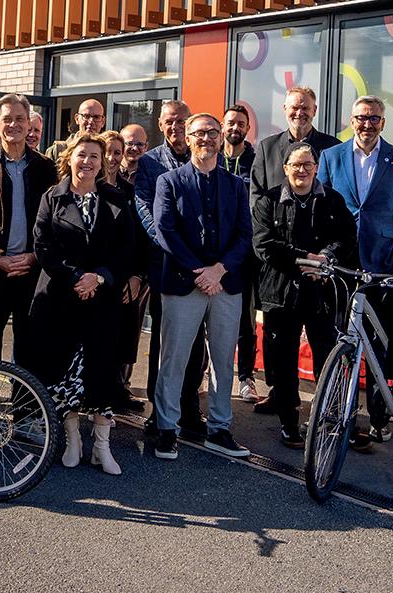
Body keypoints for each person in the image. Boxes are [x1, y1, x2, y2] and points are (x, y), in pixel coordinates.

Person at [27, 133, 135, 475]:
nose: (87, 161)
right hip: (62, 298)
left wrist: (99, 277)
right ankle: (73, 440)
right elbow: (43, 246)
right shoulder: (52, 197)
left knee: (102, 369)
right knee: (65, 371)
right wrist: (76, 277)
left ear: (102, 164)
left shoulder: (116, 199)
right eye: (81, 154)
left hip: (103, 300)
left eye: (94, 156)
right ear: (69, 158)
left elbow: (127, 248)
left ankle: (101, 447)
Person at [151, 114, 252, 461]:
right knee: (174, 359)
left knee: (223, 361)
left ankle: (219, 429)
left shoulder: (236, 185)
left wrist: (219, 271)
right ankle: (167, 428)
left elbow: (245, 235)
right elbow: (165, 231)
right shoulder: (169, 181)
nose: (206, 138)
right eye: (199, 133)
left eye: (212, 132)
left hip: (226, 284)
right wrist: (200, 271)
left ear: (220, 137)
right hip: (184, 282)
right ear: (188, 138)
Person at [317, 95, 393, 446]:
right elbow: (322, 206)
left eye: (374, 118)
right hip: (342, 263)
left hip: (381, 263)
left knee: (376, 341)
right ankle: (338, 411)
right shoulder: (331, 157)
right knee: (339, 338)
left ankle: (378, 416)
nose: (367, 124)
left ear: (382, 123)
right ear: (351, 120)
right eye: (361, 117)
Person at [252, 142, 356, 449]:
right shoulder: (269, 201)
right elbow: (264, 245)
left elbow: (347, 237)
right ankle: (289, 422)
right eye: (296, 165)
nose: (302, 170)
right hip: (281, 293)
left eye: (308, 164)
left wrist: (326, 259)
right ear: (285, 168)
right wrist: (306, 260)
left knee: (327, 357)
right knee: (283, 361)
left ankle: (327, 416)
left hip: (322, 292)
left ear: (316, 168)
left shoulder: (332, 200)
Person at [248, 86, 341, 417]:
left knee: (324, 342)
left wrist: (322, 257)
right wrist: (289, 254)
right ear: (285, 110)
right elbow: (256, 196)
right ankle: (280, 397)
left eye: (306, 108)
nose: (299, 113)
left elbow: (334, 207)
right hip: (281, 266)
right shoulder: (267, 147)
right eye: (293, 107)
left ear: (314, 110)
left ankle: (328, 408)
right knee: (279, 342)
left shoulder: (332, 148)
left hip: (320, 271)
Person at [134, 100, 208, 442]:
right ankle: (159, 409)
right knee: (164, 340)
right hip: (165, 263)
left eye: (181, 121)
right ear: (160, 125)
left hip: (200, 266)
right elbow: (143, 207)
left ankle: (190, 408)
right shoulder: (150, 162)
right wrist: (169, 243)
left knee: (195, 341)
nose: (175, 127)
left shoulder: (204, 158)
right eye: (169, 122)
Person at [0, 94, 58, 364]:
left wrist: (35, 256)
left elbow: (53, 220)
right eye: (7, 119)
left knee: (30, 347)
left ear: (29, 124)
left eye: (20, 119)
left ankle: (24, 395)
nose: (13, 125)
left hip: (32, 270)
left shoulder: (46, 167)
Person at [100, 130, 147, 414]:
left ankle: (117, 391)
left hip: (124, 280)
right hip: (93, 280)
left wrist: (138, 276)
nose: (112, 158)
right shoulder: (86, 189)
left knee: (122, 337)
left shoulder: (130, 193)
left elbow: (140, 240)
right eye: (107, 152)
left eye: (117, 152)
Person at [219, 105, 260, 405]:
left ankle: (246, 376)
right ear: (223, 126)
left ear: (247, 128)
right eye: (231, 122)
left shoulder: (256, 161)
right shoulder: (212, 157)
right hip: (214, 250)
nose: (235, 127)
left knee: (245, 318)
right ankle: (207, 370)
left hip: (245, 251)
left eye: (241, 123)